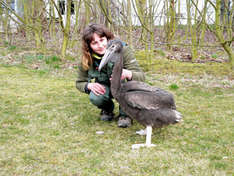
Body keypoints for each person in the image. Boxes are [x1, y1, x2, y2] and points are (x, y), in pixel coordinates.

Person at [76, 23, 145, 128]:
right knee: (95, 97)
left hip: (124, 88)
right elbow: (79, 82)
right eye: (95, 43)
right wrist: (88, 86)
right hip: (106, 88)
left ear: (107, 39)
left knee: (130, 88)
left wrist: (127, 73)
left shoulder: (123, 50)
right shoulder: (87, 58)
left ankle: (126, 115)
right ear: (89, 46)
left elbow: (141, 77)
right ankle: (107, 109)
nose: (100, 45)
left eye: (102, 40)